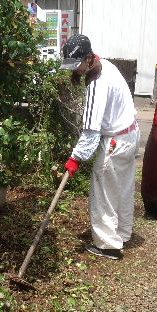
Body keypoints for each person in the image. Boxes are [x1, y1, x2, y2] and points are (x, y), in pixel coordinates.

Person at [60, 34, 139, 260]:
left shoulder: (97, 83)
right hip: (129, 134)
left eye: (78, 66)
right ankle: (122, 233)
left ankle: (108, 245)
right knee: (122, 187)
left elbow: (91, 130)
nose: (77, 71)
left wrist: (75, 159)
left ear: (89, 58)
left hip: (115, 141)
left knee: (103, 190)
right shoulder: (107, 65)